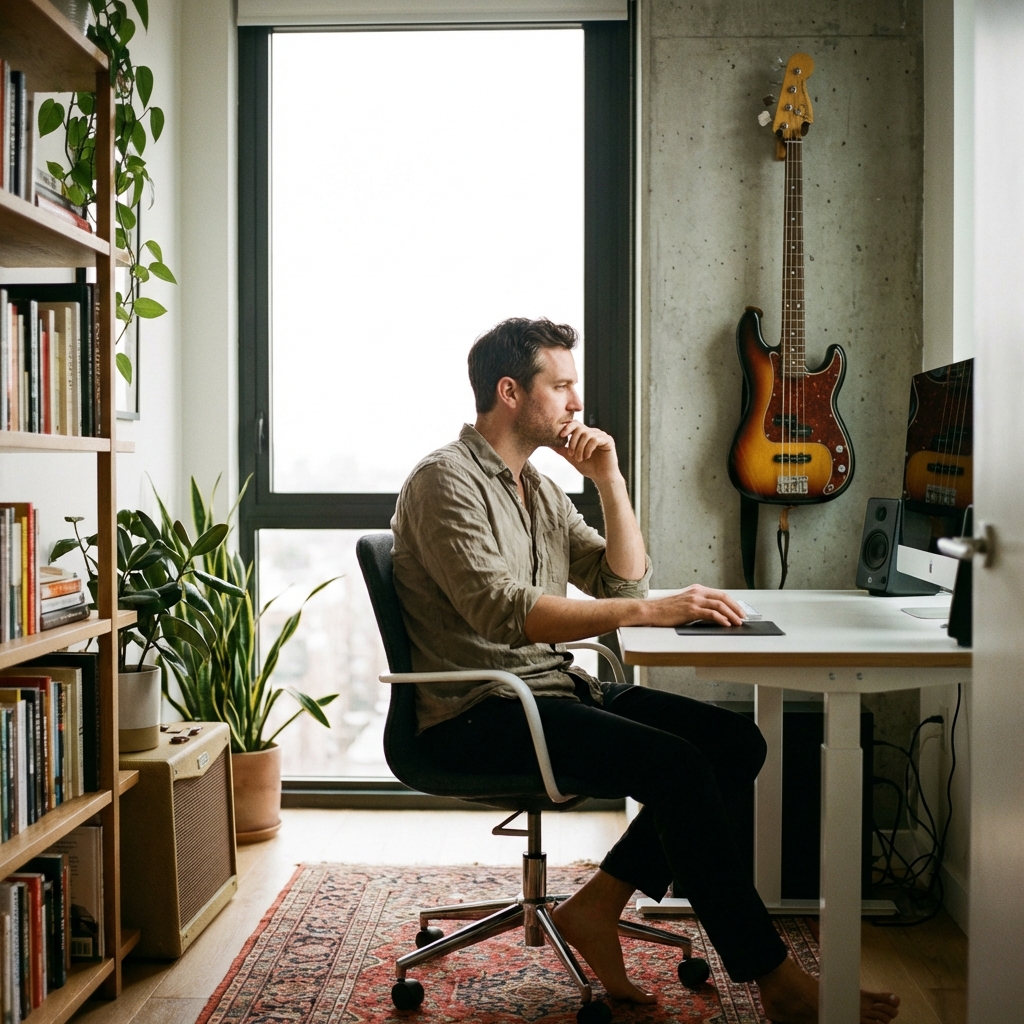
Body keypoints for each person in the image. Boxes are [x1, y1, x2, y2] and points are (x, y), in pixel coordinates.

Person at [390, 317, 900, 1024]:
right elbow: (504, 613)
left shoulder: (534, 488)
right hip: (479, 712)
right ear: (509, 391)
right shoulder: (446, 482)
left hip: (546, 691)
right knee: (680, 769)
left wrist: (609, 479)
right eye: (561, 385)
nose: (576, 403)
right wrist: (652, 614)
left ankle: (597, 907)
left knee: (734, 744)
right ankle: (773, 977)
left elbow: (620, 584)